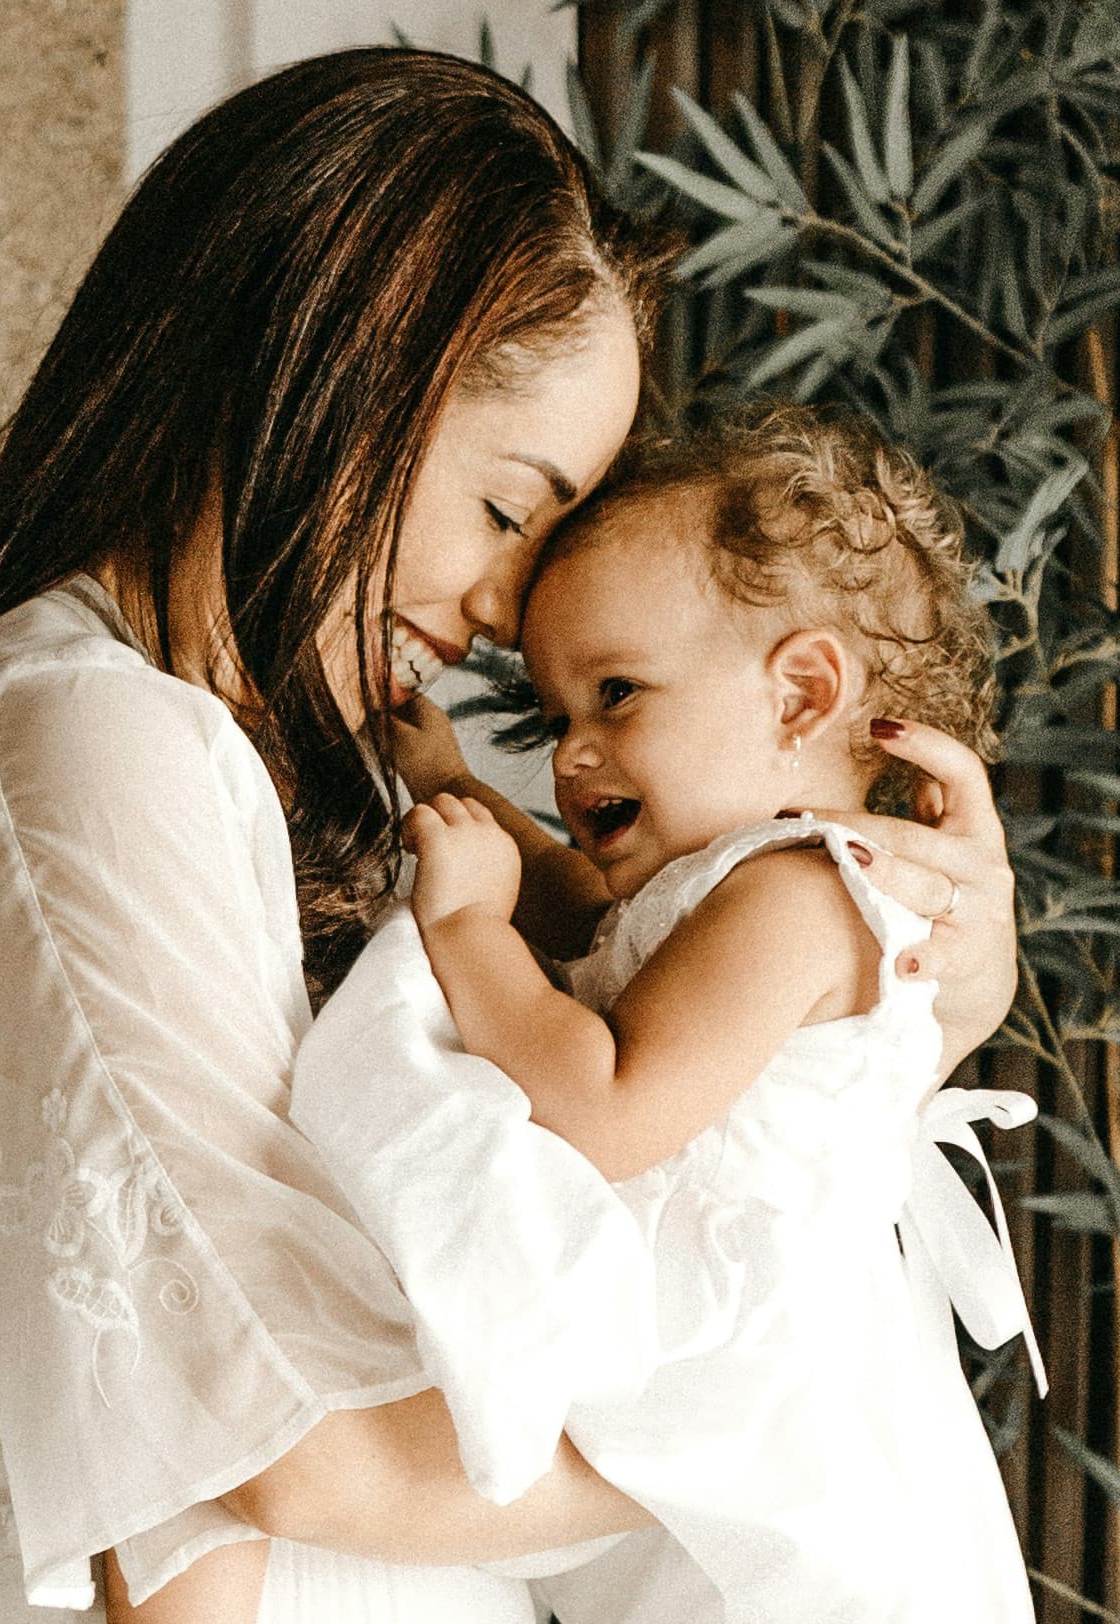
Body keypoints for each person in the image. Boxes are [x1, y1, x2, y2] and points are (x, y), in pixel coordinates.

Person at [0, 47, 1020, 1624]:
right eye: (511, 509)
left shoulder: (184, 743)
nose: (506, 613)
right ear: (343, 370)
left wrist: (898, 1022)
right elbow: (291, 1451)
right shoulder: (85, 736)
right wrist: (807, 1436)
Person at [293, 404, 1044, 1624]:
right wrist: (447, 788)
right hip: (706, 1423)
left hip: (793, 1491)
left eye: (616, 695)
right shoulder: (732, 884)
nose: (573, 757)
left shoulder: (800, 898)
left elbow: (601, 1107)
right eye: (554, 720)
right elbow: (591, 921)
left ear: (801, 692)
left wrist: (468, 929)